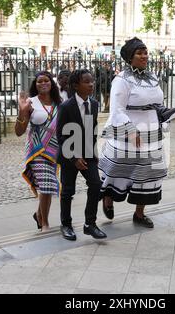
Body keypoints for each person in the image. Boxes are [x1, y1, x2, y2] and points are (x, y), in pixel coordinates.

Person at [99, 37, 168, 229]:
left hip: (151, 133)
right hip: (128, 134)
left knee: (147, 173)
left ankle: (139, 214)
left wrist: (165, 113)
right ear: (130, 57)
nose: (144, 56)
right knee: (119, 169)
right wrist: (130, 130)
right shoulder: (122, 80)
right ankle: (108, 198)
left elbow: (157, 103)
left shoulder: (152, 77)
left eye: (145, 52)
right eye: (139, 53)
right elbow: (117, 110)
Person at [56, 69, 107, 241]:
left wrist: (93, 152)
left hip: (88, 154)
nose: (91, 84)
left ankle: (89, 224)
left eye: (92, 81)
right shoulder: (65, 107)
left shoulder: (94, 104)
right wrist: (73, 158)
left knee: (95, 185)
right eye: (87, 81)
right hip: (69, 156)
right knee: (67, 191)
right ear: (76, 85)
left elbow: (91, 131)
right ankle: (66, 224)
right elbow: (61, 136)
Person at [16, 71, 62, 232]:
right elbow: (19, 131)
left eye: (46, 80)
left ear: (52, 83)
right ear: (35, 85)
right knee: (47, 184)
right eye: (39, 81)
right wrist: (22, 112)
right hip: (36, 149)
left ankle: (38, 214)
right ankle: (45, 223)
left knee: (47, 186)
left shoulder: (59, 102)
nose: (43, 83)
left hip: (54, 150)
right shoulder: (31, 102)